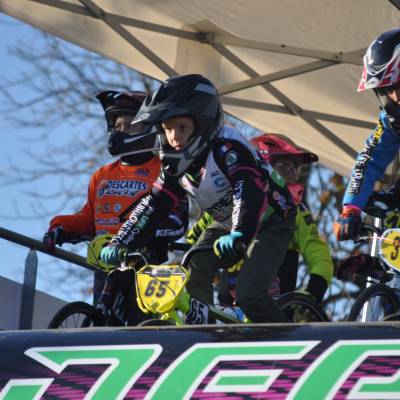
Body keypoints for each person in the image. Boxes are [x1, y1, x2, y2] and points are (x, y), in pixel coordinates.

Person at [100, 74, 297, 323]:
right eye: (168, 129)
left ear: (202, 124)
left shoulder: (228, 147)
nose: (174, 137)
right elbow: (154, 205)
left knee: (249, 295)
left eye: (182, 128)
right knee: (193, 270)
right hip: (228, 223)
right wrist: (121, 242)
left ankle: (286, 339)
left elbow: (248, 190)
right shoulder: (174, 163)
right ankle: (205, 334)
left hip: (271, 220)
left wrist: (240, 232)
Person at [43, 90, 188, 314]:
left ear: (150, 127)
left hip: (143, 264)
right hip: (106, 263)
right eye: (117, 126)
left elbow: (178, 219)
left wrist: (147, 234)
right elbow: (89, 219)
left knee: (139, 325)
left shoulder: (166, 169)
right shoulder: (102, 175)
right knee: (101, 321)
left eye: (129, 126)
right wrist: (61, 227)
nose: (121, 132)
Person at [188, 134, 334, 304]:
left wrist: (317, 285)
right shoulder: (230, 203)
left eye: (296, 168)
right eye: (285, 166)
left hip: (274, 303)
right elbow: (197, 234)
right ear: (262, 165)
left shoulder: (295, 211)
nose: (293, 174)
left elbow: (317, 249)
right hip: (228, 305)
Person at [335, 28, 400, 241]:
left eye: (398, 86)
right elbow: (369, 161)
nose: (395, 96)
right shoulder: (392, 118)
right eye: (388, 89)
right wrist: (351, 208)